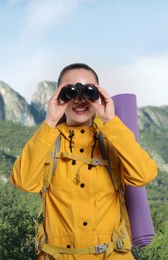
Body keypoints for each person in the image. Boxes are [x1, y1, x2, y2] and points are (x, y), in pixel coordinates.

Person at [10, 63, 158, 259]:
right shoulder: (48, 141)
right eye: (69, 91)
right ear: (58, 95)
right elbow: (24, 182)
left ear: (99, 93)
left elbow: (144, 175)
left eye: (89, 91)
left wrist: (111, 121)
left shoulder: (114, 137)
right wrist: (50, 122)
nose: (79, 99)